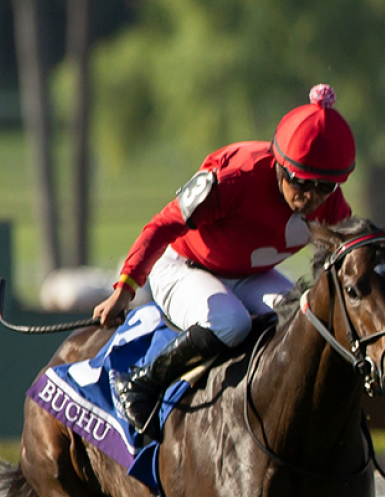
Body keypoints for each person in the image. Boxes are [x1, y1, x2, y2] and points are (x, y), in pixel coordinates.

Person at [91, 84, 356, 437]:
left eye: (324, 187)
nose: (311, 198)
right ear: (280, 165)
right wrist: (124, 290)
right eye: (302, 183)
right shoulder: (236, 176)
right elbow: (162, 225)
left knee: (301, 317)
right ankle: (141, 382)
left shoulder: (330, 204)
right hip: (183, 267)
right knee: (232, 322)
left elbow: (349, 256)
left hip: (250, 275)